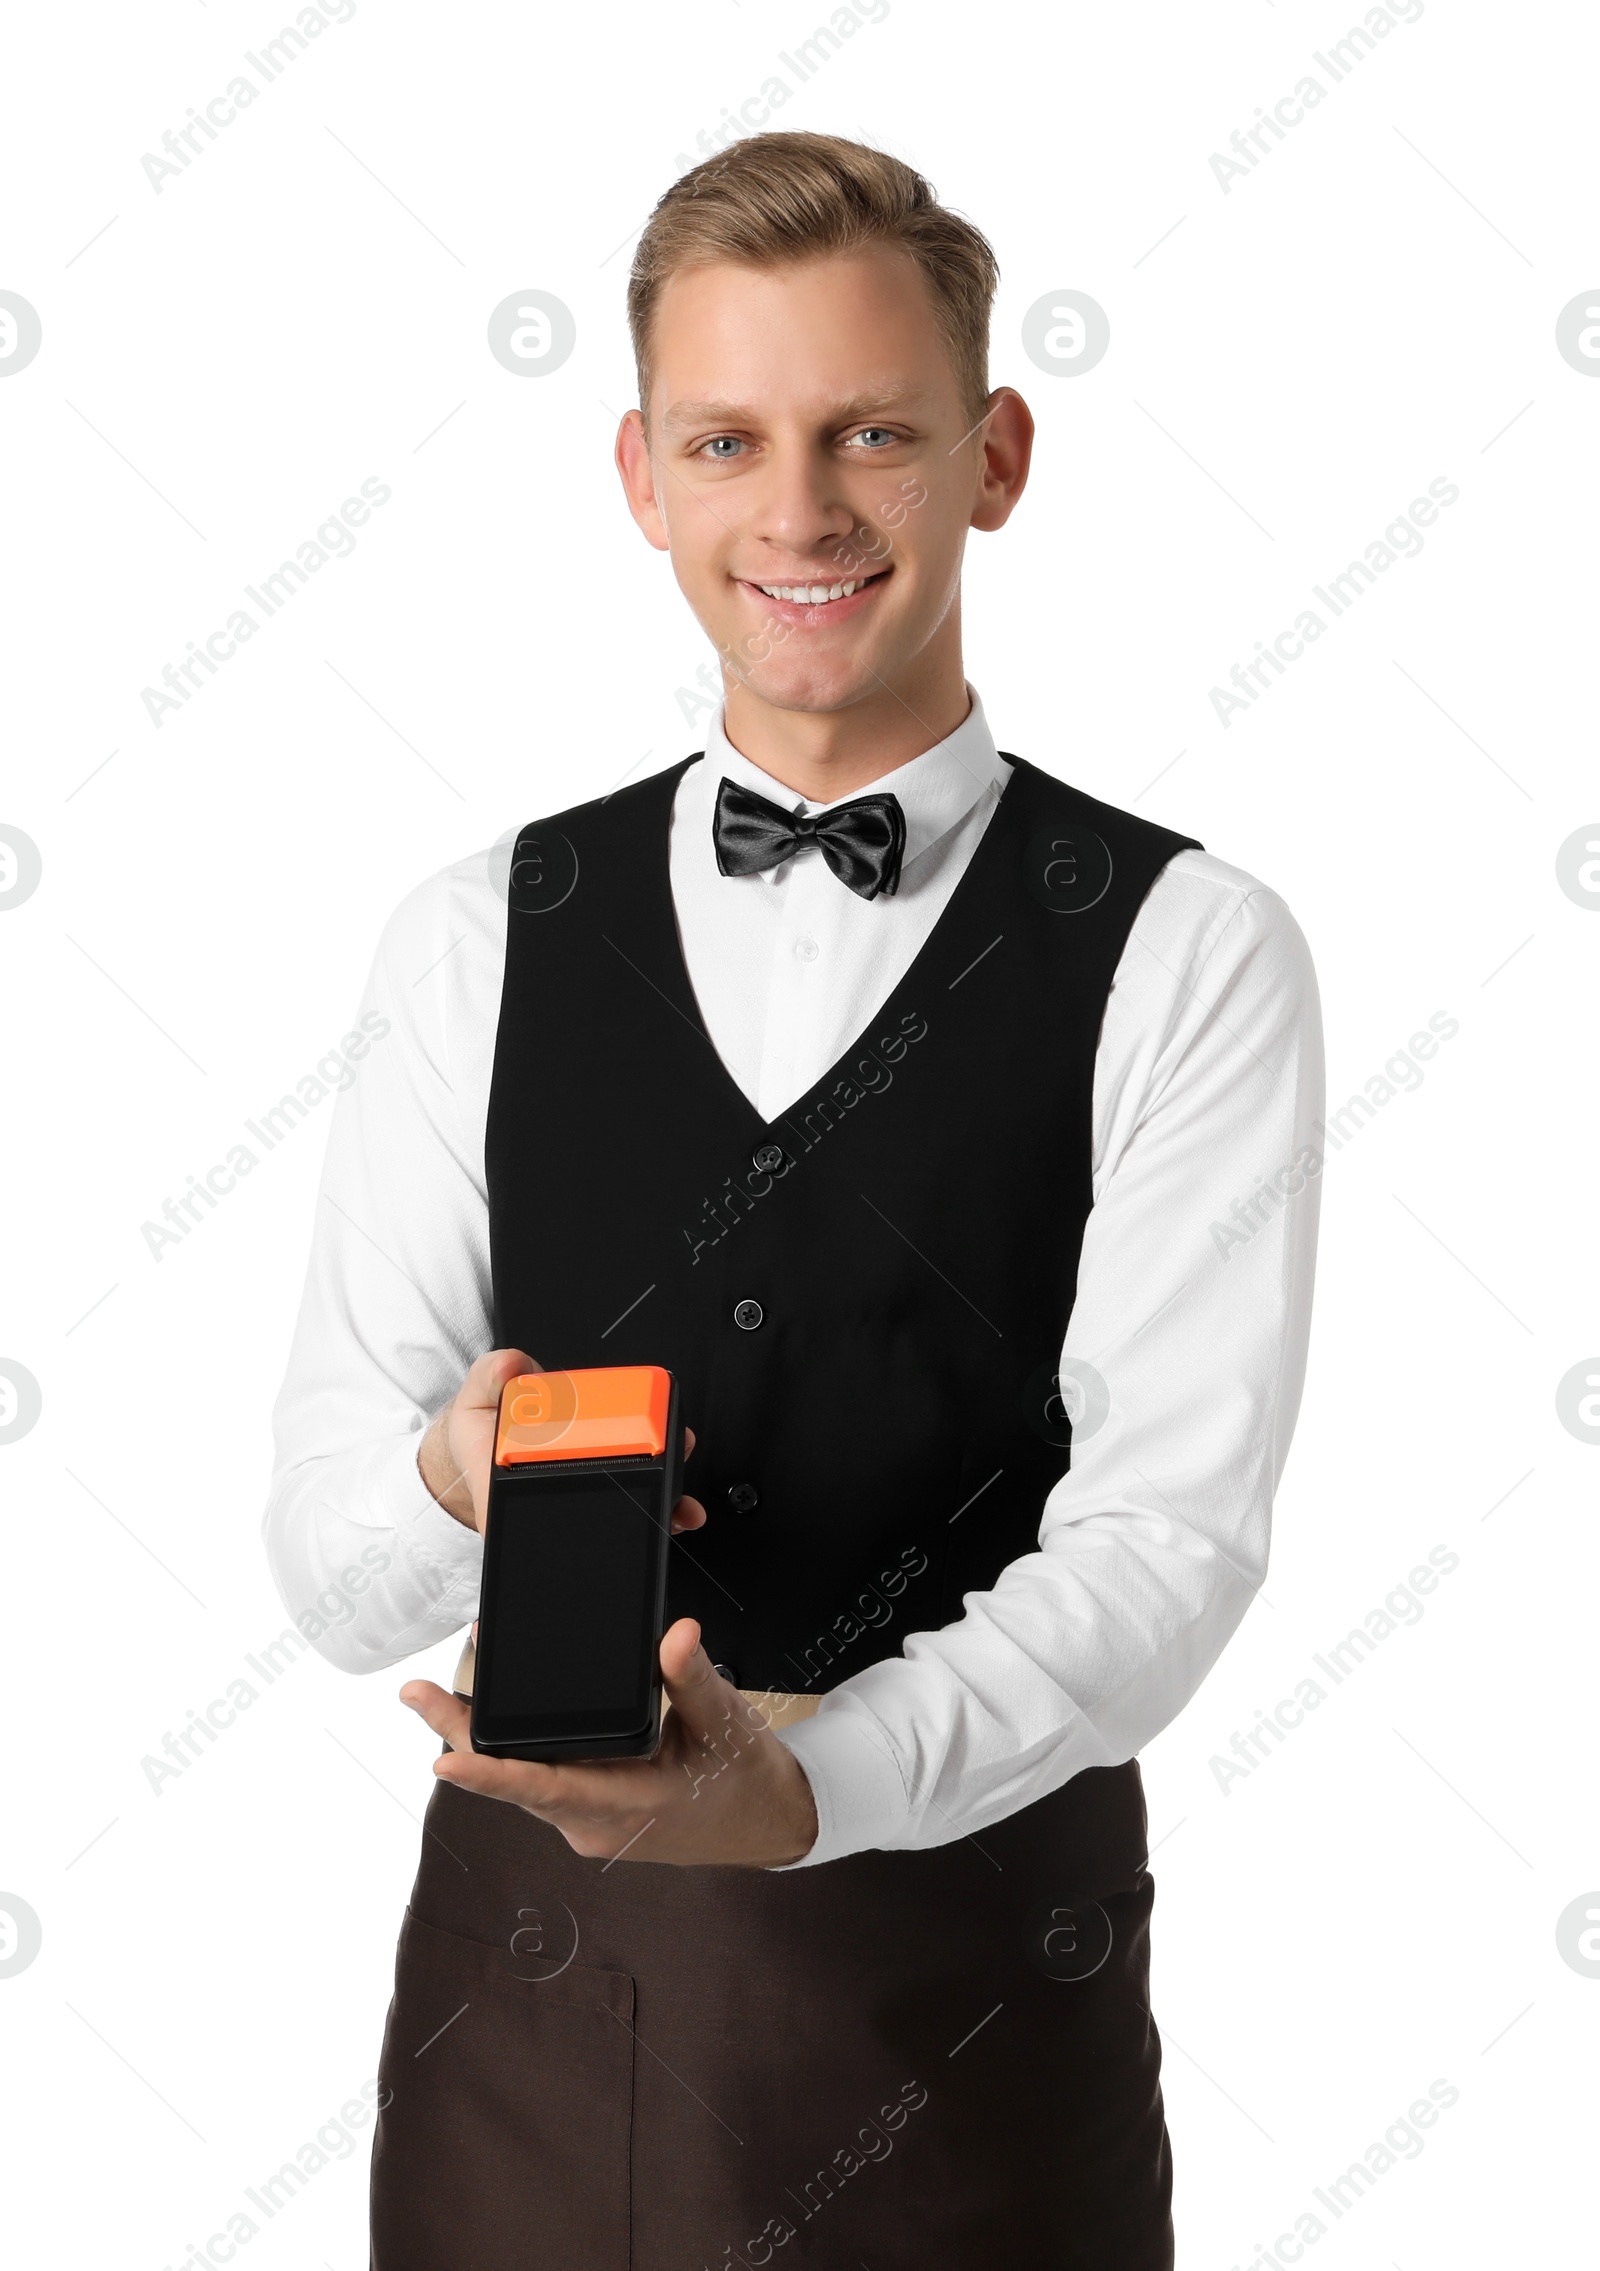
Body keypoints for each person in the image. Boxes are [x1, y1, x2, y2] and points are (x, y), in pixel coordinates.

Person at [264, 129, 1322, 2270]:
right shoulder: (474, 933)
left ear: (992, 454)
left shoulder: (1187, 945)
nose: (800, 511)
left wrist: (808, 1785)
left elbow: (1161, 1553)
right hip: (526, 2038)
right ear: (642, 478)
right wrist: (449, 1478)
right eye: (727, 439)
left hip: (968, 2021)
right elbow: (327, 1561)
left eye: (869, 433)